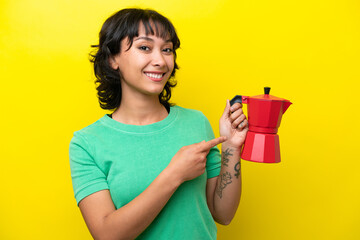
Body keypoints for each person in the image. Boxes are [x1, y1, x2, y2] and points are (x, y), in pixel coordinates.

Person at [69, 8, 248, 240]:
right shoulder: (86, 143)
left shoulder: (196, 122)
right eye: (144, 47)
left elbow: (223, 214)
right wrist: (175, 174)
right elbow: (107, 235)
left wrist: (232, 148)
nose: (161, 61)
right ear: (113, 58)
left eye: (167, 50)